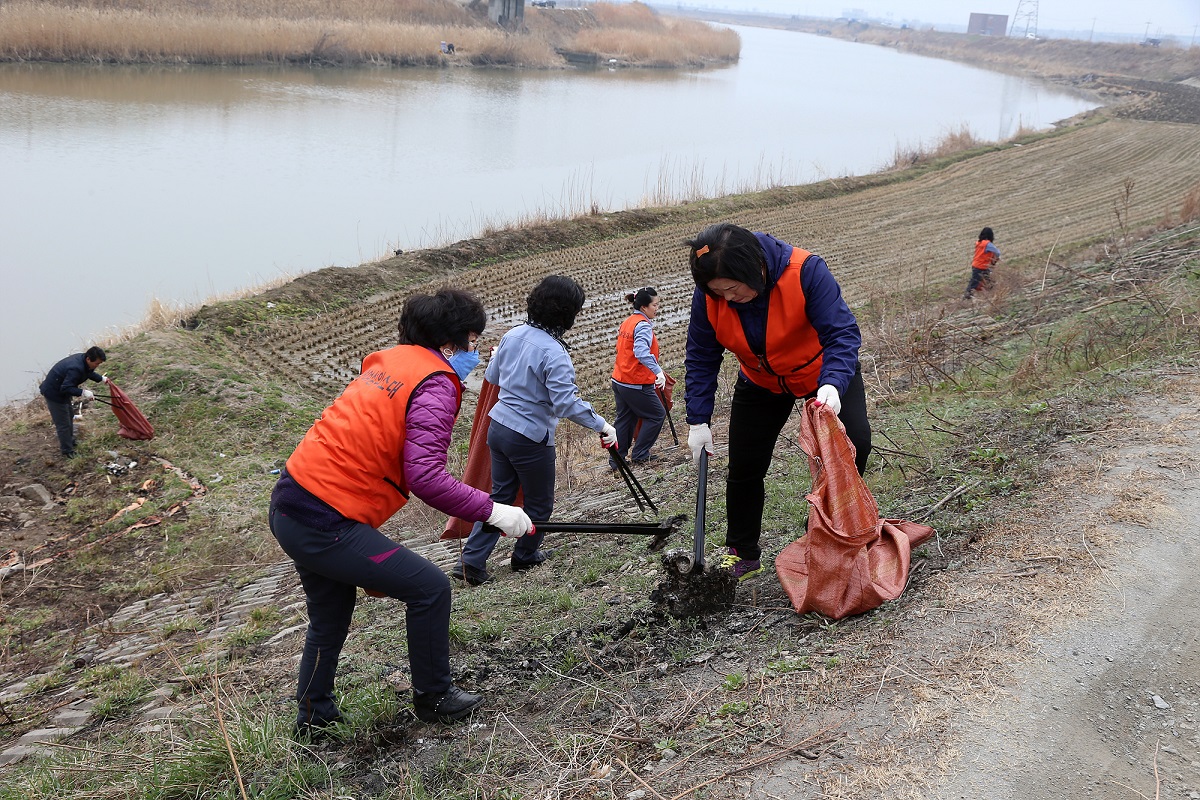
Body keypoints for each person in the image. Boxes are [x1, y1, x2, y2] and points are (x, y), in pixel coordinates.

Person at [268, 288, 533, 735]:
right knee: (429, 588)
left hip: (292, 500)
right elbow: (426, 476)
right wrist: (493, 511)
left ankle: (314, 719)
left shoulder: (389, 362)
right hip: (323, 519)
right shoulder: (435, 383)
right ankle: (434, 696)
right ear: (450, 343)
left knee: (329, 616)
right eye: (473, 338)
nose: (478, 350)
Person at [683, 223, 872, 580]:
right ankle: (742, 552)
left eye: (732, 289)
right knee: (744, 466)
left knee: (856, 444)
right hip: (761, 380)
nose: (727, 299)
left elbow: (842, 333)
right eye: (717, 293)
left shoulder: (806, 271)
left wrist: (832, 383)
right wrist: (698, 419)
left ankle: (825, 532)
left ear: (755, 269)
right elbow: (701, 355)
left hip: (822, 372)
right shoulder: (710, 297)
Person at [453, 275, 617, 586]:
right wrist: (602, 424)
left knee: (499, 496)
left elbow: (492, 374)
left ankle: (471, 560)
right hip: (529, 436)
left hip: (498, 425)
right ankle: (525, 554)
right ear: (566, 314)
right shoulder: (554, 353)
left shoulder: (514, 334)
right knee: (539, 502)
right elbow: (566, 403)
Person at [609, 286, 667, 468]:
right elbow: (641, 352)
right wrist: (657, 371)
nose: (657, 308)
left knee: (625, 418)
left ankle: (617, 460)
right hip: (635, 382)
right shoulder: (642, 326)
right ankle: (641, 453)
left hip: (619, 379)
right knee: (657, 414)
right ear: (644, 307)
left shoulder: (628, 322)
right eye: (655, 305)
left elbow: (621, 350)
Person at [39, 346, 108, 458]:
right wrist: (83, 392)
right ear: (88, 359)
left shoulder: (84, 360)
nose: (97, 366)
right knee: (63, 423)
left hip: (63, 392)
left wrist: (101, 379)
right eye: (97, 363)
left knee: (70, 415)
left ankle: (70, 440)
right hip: (54, 393)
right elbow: (65, 387)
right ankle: (67, 450)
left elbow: (88, 372)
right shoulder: (75, 368)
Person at [962, 226, 1000, 300]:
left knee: (984, 281)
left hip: (976, 265)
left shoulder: (979, 243)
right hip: (982, 266)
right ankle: (966, 298)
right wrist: (994, 261)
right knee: (976, 283)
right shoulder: (987, 244)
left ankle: (989, 296)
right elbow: (998, 252)